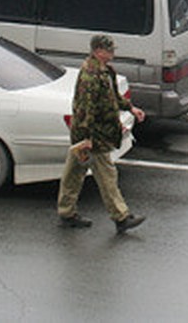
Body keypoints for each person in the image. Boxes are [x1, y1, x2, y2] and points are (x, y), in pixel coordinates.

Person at [56, 34, 146, 232]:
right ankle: (121, 217)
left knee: (74, 171)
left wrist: (131, 108)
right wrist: (86, 138)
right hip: (93, 135)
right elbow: (85, 109)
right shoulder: (91, 74)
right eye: (109, 50)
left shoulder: (105, 71)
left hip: (92, 134)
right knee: (107, 174)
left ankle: (66, 211)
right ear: (98, 51)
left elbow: (113, 97)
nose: (112, 53)